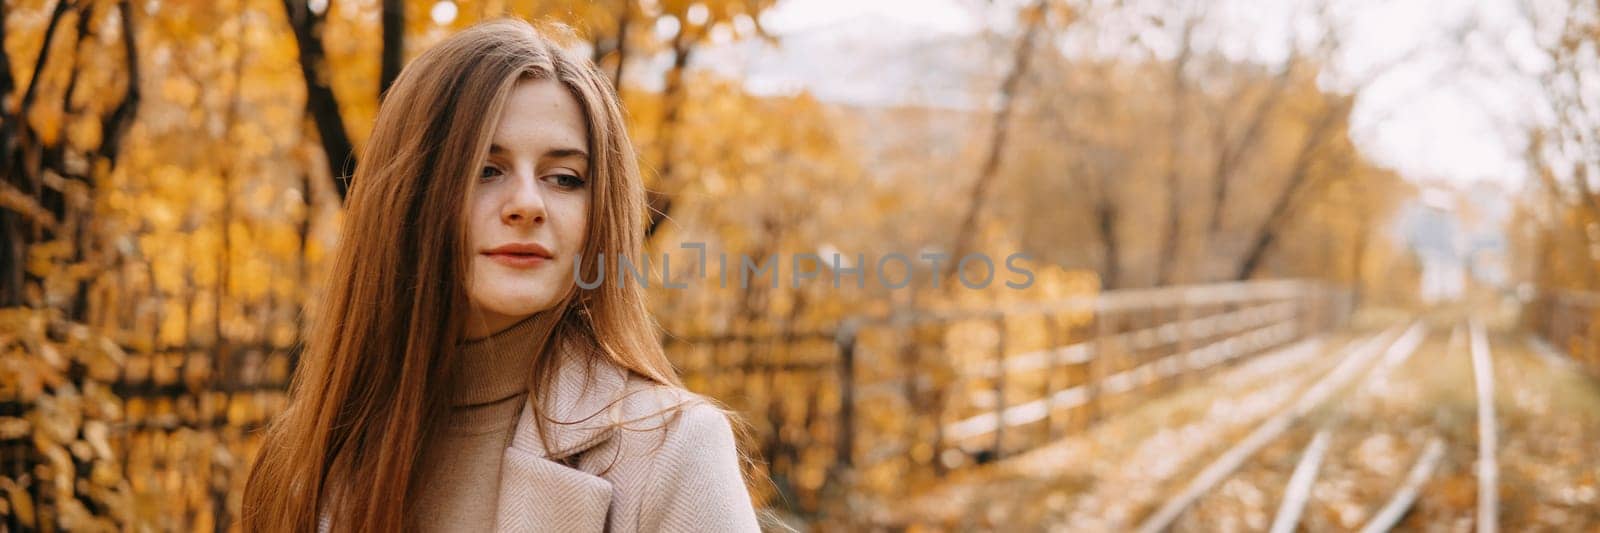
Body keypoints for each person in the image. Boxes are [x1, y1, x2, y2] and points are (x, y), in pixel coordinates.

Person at [241, 18, 761, 532]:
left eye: (564, 178)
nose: (527, 206)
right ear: (410, 195)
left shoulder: (672, 449)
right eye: (486, 170)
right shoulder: (303, 461)